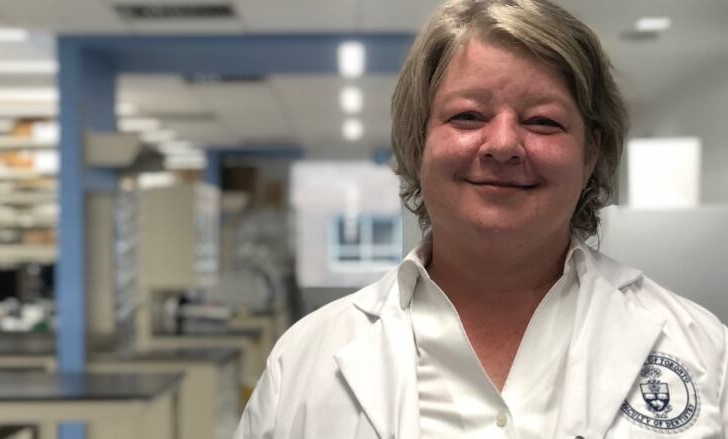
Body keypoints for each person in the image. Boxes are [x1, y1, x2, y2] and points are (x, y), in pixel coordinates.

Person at [234, 0, 728, 437]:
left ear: (589, 154)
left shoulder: (705, 353)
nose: (504, 145)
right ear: (417, 141)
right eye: (468, 116)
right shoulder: (302, 362)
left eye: (543, 121)